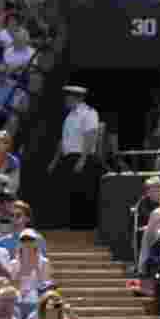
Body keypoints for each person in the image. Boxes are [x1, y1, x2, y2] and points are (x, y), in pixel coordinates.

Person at [46, 85, 100, 229]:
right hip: (68, 157)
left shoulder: (88, 113)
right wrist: (55, 160)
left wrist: (83, 159)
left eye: (68, 97)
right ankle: (72, 225)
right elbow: (63, 141)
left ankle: (85, 226)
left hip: (82, 157)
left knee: (84, 193)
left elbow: (91, 136)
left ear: (78, 98)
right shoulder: (70, 116)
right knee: (69, 193)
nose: (66, 99)